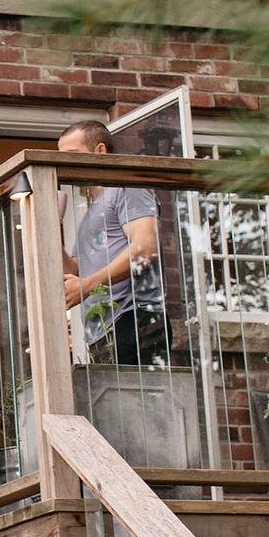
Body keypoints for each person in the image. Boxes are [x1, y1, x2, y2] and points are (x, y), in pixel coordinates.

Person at [56, 120, 164, 363]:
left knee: (137, 401)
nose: (65, 164)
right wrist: (53, 226)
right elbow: (74, 270)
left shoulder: (128, 186)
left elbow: (145, 248)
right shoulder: (90, 212)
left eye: (73, 155)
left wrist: (87, 285)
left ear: (100, 151)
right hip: (102, 331)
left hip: (133, 319)